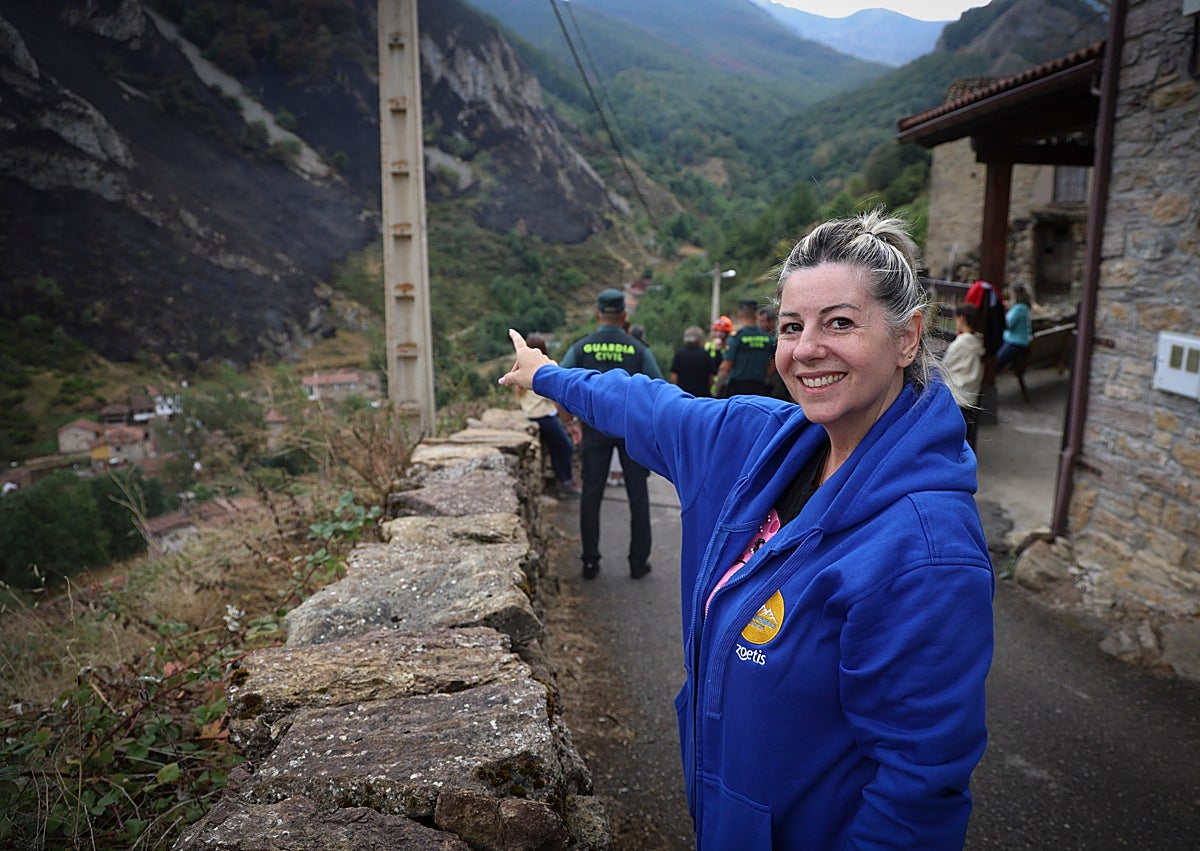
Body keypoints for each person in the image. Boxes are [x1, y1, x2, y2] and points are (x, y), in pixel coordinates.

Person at [499, 209, 993, 850]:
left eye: (840, 322)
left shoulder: (927, 552)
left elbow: (916, 797)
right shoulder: (762, 440)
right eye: (793, 326)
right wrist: (546, 376)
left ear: (906, 339)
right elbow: (647, 403)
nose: (807, 348)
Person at [557, 288, 664, 580]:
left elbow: (558, 387)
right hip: (633, 431)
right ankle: (637, 563)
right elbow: (660, 391)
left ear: (597, 314)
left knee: (591, 495)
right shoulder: (638, 349)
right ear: (624, 316)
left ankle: (590, 561)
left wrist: (570, 422)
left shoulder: (582, 348)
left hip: (594, 429)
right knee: (638, 496)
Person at [513, 333, 581, 496]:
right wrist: (569, 420)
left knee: (556, 447)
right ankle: (566, 483)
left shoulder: (522, 369)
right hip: (544, 416)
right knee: (565, 447)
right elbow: (554, 398)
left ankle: (563, 481)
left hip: (531, 414)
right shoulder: (541, 371)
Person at [941, 303, 986, 448]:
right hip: (970, 397)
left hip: (956, 396)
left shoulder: (960, 344)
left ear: (961, 318)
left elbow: (944, 366)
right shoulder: (979, 342)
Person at [714, 298, 776, 397]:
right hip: (760, 389)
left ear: (739, 314)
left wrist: (717, 391)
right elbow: (772, 366)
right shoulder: (768, 339)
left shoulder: (736, 338)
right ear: (756, 315)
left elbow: (725, 368)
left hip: (738, 391)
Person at [669, 325, 718, 397]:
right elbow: (711, 378)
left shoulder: (679, 354)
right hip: (702, 397)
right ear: (699, 338)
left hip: (684, 397)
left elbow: (674, 377)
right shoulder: (705, 355)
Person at [995, 283, 1033, 374]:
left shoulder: (1019, 309)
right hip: (1016, 341)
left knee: (996, 361)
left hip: (1015, 343)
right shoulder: (1024, 308)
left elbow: (1008, 325)